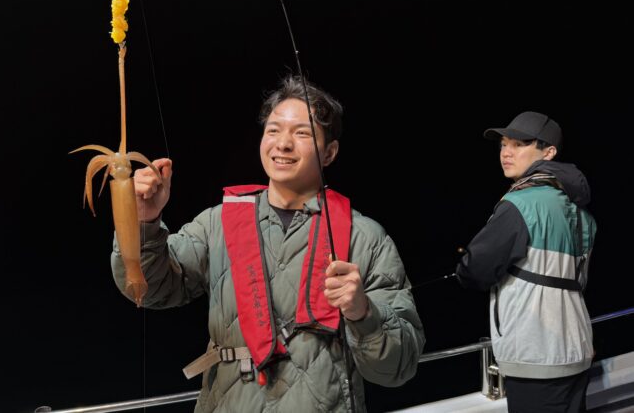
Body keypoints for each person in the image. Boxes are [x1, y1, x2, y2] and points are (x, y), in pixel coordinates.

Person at [111, 75, 425, 412]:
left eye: (302, 133)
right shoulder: (217, 223)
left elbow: (398, 367)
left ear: (330, 153)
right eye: (273, 130)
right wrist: (143, 221)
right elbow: (148, 289)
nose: (283, 144)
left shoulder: (366, 237)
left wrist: (363, 312)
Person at [456, 111, 597, 413]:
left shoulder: (520, 204)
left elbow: (474, 271)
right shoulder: (581, 213)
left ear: (549, 152)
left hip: (536, 358)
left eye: (519, 144)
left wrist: (464, 268)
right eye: (503, 145)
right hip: (578, 349)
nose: (506, 153)